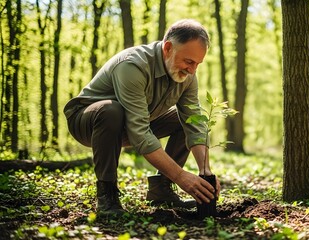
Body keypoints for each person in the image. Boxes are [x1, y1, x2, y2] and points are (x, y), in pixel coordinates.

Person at [63, 19, 219, 217]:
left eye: (197, 64)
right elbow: (139, 132)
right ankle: (107, 195)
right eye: (189, 61)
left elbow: (194, 120)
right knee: (112, 110)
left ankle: (161, 190)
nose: (192, 70)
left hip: (135, 122)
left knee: (186, 120)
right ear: (168, 48)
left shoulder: (187, 75)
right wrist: (180, 176)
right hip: (88, 121)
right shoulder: (132, 66)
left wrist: (205, 170)